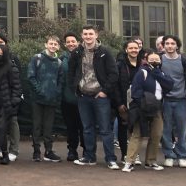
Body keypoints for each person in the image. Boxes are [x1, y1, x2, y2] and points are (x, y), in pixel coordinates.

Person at [67, 26, 120, 169]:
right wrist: (75, 88)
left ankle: (110, 159)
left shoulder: (104, 52)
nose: (88, 36)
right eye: (85, 34)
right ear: (82, 35)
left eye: (91, 34)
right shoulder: (77, 52)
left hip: (100, 97)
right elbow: (71, 72)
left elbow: (113, 74)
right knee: (87, 129)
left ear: (96, 35)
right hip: (83, 96)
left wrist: (104, 91)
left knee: (105, 129)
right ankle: (90, 157)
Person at [124, 48, 172, 172]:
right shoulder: (142, 72)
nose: (155, 61)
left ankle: (151, 161)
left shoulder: (161, 73)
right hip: (142, 108)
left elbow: (169, 85)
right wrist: (143, 103)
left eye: (157, 59)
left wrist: (157, 74)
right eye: (152, 59)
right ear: (146, 60)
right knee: (137, 134)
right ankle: (129, 161)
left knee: (156, 134)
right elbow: (136, 91)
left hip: (157, 108)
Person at [159, 35, 186, 168]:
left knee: (182, 129)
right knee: (166, 128)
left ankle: (182, 155)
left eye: (172, 43)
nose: (169, 46)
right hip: (165, 99)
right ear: (163, 45)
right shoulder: (160, 59)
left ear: (177, 46)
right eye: (167, 43)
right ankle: (169, 155)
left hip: (181, 99)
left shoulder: (185, 60)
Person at [28, 35, 64, 162]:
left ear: (58, 47)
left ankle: (48, 151)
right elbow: (31, 77)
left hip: (51, 100)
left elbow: (61, 80)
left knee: (48, 127)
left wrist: (56, 92)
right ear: (46, 44)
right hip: (37, 100)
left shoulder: (59, 63)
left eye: (55, 44)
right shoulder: (37, 58)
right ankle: (36, 151)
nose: (53, 46)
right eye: (51, 43)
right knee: (36, 126)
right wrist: (39, 91)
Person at [114, 38, 144, 164]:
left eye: (136, 48)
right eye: (131, 48)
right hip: (123, 101)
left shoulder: (143, 65)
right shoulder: (119, 65)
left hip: (138, 102)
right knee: (123, 128)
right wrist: (119, 103)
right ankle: (125, 154)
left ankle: (134, 154)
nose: (133, 50)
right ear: (126, 50)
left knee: (136, 129)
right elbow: (115, 85)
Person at [59, 32, 84, 162]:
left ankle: (87, 151)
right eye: (68, 42)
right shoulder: (61, 59)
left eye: (73, 41)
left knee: (85, 126)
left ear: (78, 42)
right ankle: (72, 151)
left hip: (83, 98)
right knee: (71, 127)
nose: (71, 43)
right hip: (67, 99)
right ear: (65, 44)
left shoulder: (85, 56)